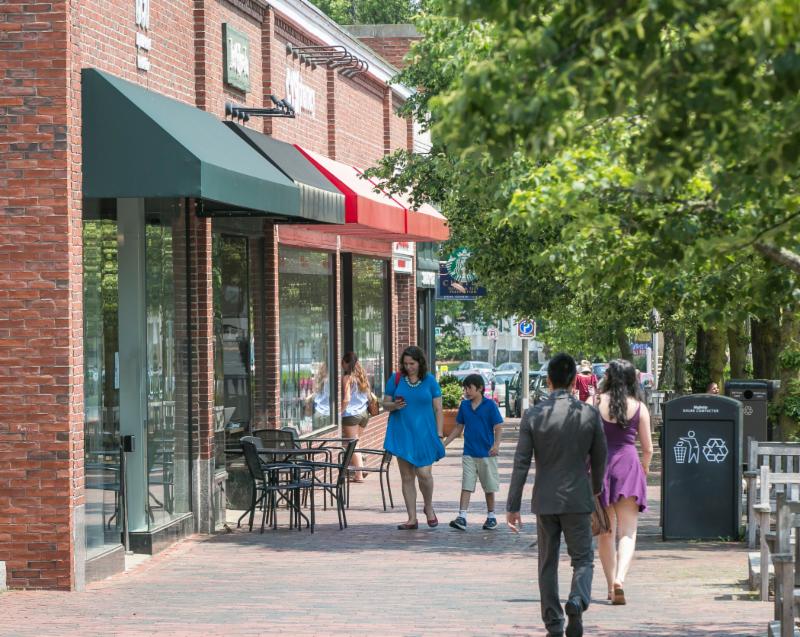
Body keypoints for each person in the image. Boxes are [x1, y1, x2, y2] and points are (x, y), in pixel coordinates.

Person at [506, 353, 607, 637]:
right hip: (578, 497)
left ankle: (553, 623)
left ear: (548, 381)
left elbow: (521, 462)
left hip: (546, 499)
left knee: (547, 563)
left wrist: (513, 505)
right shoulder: (589, 414)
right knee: (583, 558)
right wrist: (596, 488)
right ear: (575, 381)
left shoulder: (533, 415)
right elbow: (600, 456)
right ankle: (577, 599)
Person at [596, 358, 653, 607]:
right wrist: (644, 469)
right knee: (628, 532)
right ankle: (620, 579)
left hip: (601, 468)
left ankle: (610, 586)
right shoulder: (639, 407)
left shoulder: (595, 403)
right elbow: (648, 448)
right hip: (629, 466)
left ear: (608, 377)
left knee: (605, 532)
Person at [383, 346, 445, 530]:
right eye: (405, 363)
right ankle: (412, 518)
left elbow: (438, 409)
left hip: (425, 434)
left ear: (420, 363)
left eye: (412, 363)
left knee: (424, 474)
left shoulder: (430, 381)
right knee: (407, 476)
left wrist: (439, 433)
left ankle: (428, 506)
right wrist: (394, 405)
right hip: (402, 433)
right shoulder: (396, 379)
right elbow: (385, 404)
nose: (408, 367)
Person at [442, 373, 504, 531]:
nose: (466, 391)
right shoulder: (464, 406)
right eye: (465, 389)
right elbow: (458, 428)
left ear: (480, 388)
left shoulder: (490, 406)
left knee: (489, 487)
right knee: (467, 484)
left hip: (487, 454)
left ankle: (491, 517)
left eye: (469, 388)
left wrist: (496, 445)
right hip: (469, 453)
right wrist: (444, 444)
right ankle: (462, 517)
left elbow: (498, 427)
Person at [340, 352, 370, 482]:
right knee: (356, 443)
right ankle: (361, 468)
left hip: (351, 415)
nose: (341, 365)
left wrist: (339, 413)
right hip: (364, 414)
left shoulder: (347, 378)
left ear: (346, 363)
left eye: (342, 362)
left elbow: (347, 399)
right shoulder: (362, 376)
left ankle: (359, 474)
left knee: (353, 445)